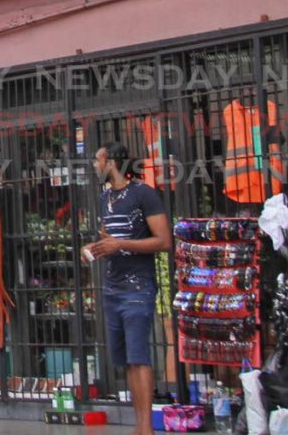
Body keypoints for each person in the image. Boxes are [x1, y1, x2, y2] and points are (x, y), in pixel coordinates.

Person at [86, 142, 172, 435]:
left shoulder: (143, 194)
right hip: (113, 285)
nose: (95, 165)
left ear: (111, 162)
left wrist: (120, 244)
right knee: (126, 361)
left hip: (138, 286)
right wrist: (99, 247)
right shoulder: (105, 198)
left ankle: (146, 427)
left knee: (139, 357)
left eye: (98, 160)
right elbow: (109, 237)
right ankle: (139, 425)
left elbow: (163, 241)